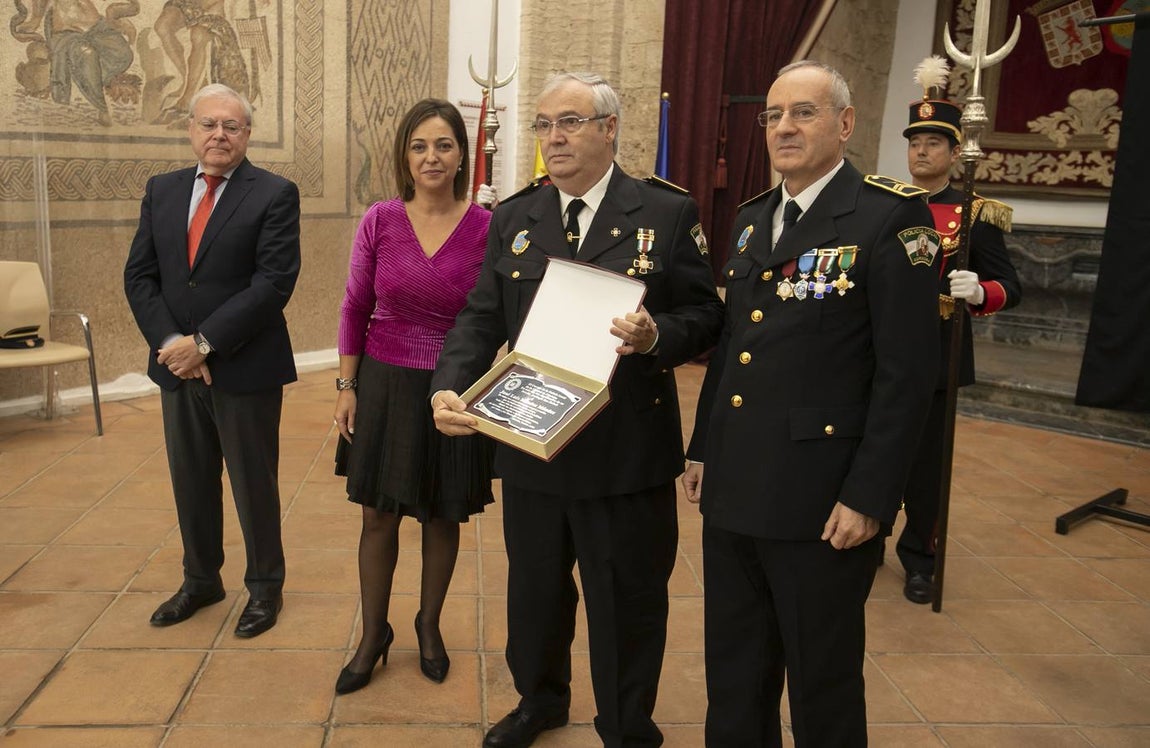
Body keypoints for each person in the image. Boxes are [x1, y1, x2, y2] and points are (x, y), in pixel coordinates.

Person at [431, 71, 723, 748]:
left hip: (625, 452)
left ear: (608, 128)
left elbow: (707, 314)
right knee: (534, 593)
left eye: (568, 122)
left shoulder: (664, 213)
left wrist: (658, 338)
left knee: (626, 601)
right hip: (533, 440)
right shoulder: (516, 216)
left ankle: (626, 723)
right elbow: (480, 316)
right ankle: (540, 701)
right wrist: (449, 383)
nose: (552, 138)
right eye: (542, 124)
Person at [681, 61, 941, 746]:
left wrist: (871, 497)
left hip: (822, 502)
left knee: (821, 679)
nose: (784, 127)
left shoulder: (890, 217)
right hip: (736, 489)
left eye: (804, 112)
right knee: (736, 670)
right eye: (773, 115)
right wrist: (704, 445)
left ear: (845, 124)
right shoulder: (749, 221)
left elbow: (908, 377)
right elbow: (735, 345)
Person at [331, 99, 496, 694]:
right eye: (420, 145)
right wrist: (347, 387)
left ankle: (428, 624)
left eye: (444, 145)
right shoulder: (379, 219)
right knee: (378, 515)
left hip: (454, 388)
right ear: (405, 154)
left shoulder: (486, 226)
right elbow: (355, 305)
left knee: (441, 511)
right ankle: (374, 633)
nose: (432, 156)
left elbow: (494, 313)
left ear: (462, 155)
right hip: (384, 383)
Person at [124, 83, 300, 639]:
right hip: (177, 369)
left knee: (253, 482)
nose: (219, 134)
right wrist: (174, 345)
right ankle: (201, 580)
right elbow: (140, 276)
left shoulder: (274, 193)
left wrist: (204, 344)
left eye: (232, 126)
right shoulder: (163, 190)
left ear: (247, 134)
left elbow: (273, 283)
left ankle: (265, 588)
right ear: (191, 129)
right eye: (209, 124)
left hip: (245, 366)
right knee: (191, 480)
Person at [897, 57, 1022, 604]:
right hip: (877, 353)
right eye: (914, 142)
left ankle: (921, 556)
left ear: (954, 152)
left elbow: (1010, 286)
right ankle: (864, 534)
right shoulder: (885, 206)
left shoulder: (975, 211)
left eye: (932, 142)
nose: (921, 151)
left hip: (938, 355)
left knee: (926, 470)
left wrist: (979, 293)